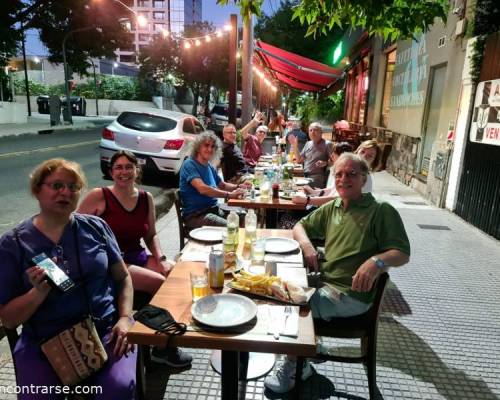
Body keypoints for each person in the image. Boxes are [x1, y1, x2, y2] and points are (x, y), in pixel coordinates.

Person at [264, 153, 410, 393]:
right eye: (339, 174)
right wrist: (308, 246)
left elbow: (402, 252)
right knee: (276, 285)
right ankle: (309, 347)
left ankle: (296, 367)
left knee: (286, 305)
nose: (344, 179)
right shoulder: (334, 207)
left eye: (352, 174)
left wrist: (376, 262)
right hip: (327, 283)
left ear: (364, 179)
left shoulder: (380, 210)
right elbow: (300, 226)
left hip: (350, 296)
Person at [0, 158, 137, 399]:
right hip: (44, 341)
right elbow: (9, 320)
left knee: (117, 389)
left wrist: (125, 318)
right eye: (56, 185)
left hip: (105, 332)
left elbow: (123, 277)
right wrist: (37, 293)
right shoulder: (14, 245)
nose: (66, 192)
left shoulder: (96, 227)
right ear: (37, 190)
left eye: (73, 187)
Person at [78, 150, 193, 368]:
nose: (124, 172)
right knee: (159, 284)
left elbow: (150, 234)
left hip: (135, 255)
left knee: (175, 274)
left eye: (128, 167)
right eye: (118, 167)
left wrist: (160, 258)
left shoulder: (145, 198)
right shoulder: (99, 196)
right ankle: (160, 346)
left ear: (136, 170)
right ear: (111, 172)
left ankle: (159, 330)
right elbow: (75, 229)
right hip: (111, 262)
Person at [180, 131, 249, 229]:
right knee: (232, 227)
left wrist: (238, 186)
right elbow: (203, 189)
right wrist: (229, 195)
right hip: (196, 215)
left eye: (213, 147)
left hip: (214, 209)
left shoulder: (208, 166)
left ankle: (237, 242)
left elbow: (222, 185)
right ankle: (231, 241)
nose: (210, 149)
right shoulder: (189, 164)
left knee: (243, 215)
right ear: (198, 147)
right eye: (206, 145)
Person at [220, 112, 265, 182]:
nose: (233, 135)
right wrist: (253, 122)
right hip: (237, 178)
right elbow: (243, 132)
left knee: (263, 176)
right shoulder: (223, 148)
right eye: (229, 133)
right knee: (261, 180)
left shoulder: (232, 143)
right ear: (223, 135)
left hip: (246, 173)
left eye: (234, 132)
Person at [289, 122, 334, 188]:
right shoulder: (308, 143)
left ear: (321, 132)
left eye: (315, 130)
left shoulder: (327, 144)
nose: (312, 132)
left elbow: (335, 161)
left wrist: (325, 163)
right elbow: (299, 160)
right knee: (289, 182)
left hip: (317, 178)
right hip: (305, 176)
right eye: (311, 130)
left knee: (294, 187)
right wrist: (295, 146)